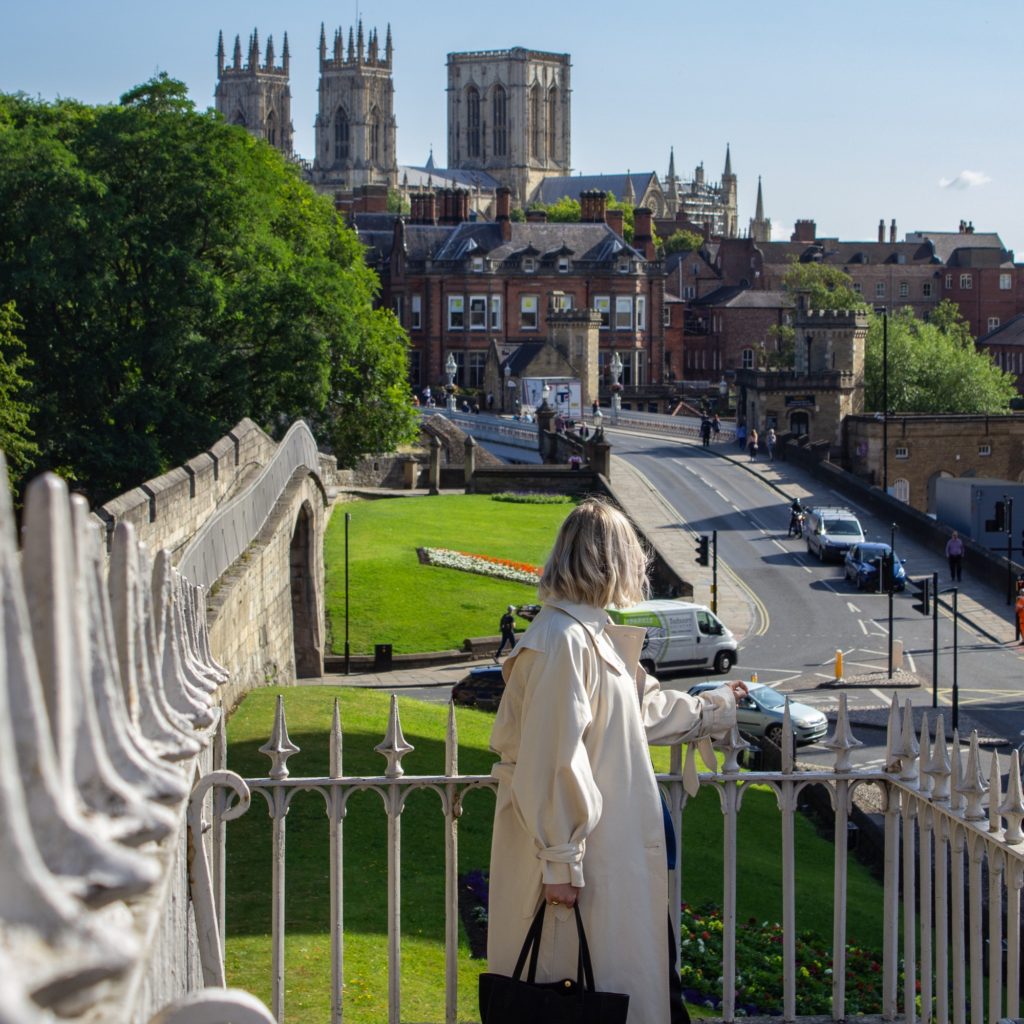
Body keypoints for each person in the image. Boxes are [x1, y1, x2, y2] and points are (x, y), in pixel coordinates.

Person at [487, 500, 746, 1024]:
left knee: (635, 989)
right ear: (611, 561)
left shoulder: (590, 635)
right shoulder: (563, 641)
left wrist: (717, 706)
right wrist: (560, 861)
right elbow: (552, 758)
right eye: (630, 555)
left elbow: (642, 710)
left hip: (612, 859)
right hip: (582, 868)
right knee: (590, 997)